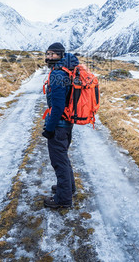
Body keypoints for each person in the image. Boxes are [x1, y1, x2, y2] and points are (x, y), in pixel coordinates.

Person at [42, 42, 79, 209]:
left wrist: (49, 129)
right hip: (67, 122)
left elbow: (57, 107)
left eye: (52, 54)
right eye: (47, 54)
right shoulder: (66, 70)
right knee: (63, 157)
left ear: (60, 55)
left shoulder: (58, 75)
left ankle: (63, 199)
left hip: (59, 124)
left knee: (59, 161)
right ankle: (68, 188)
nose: (48, 57)